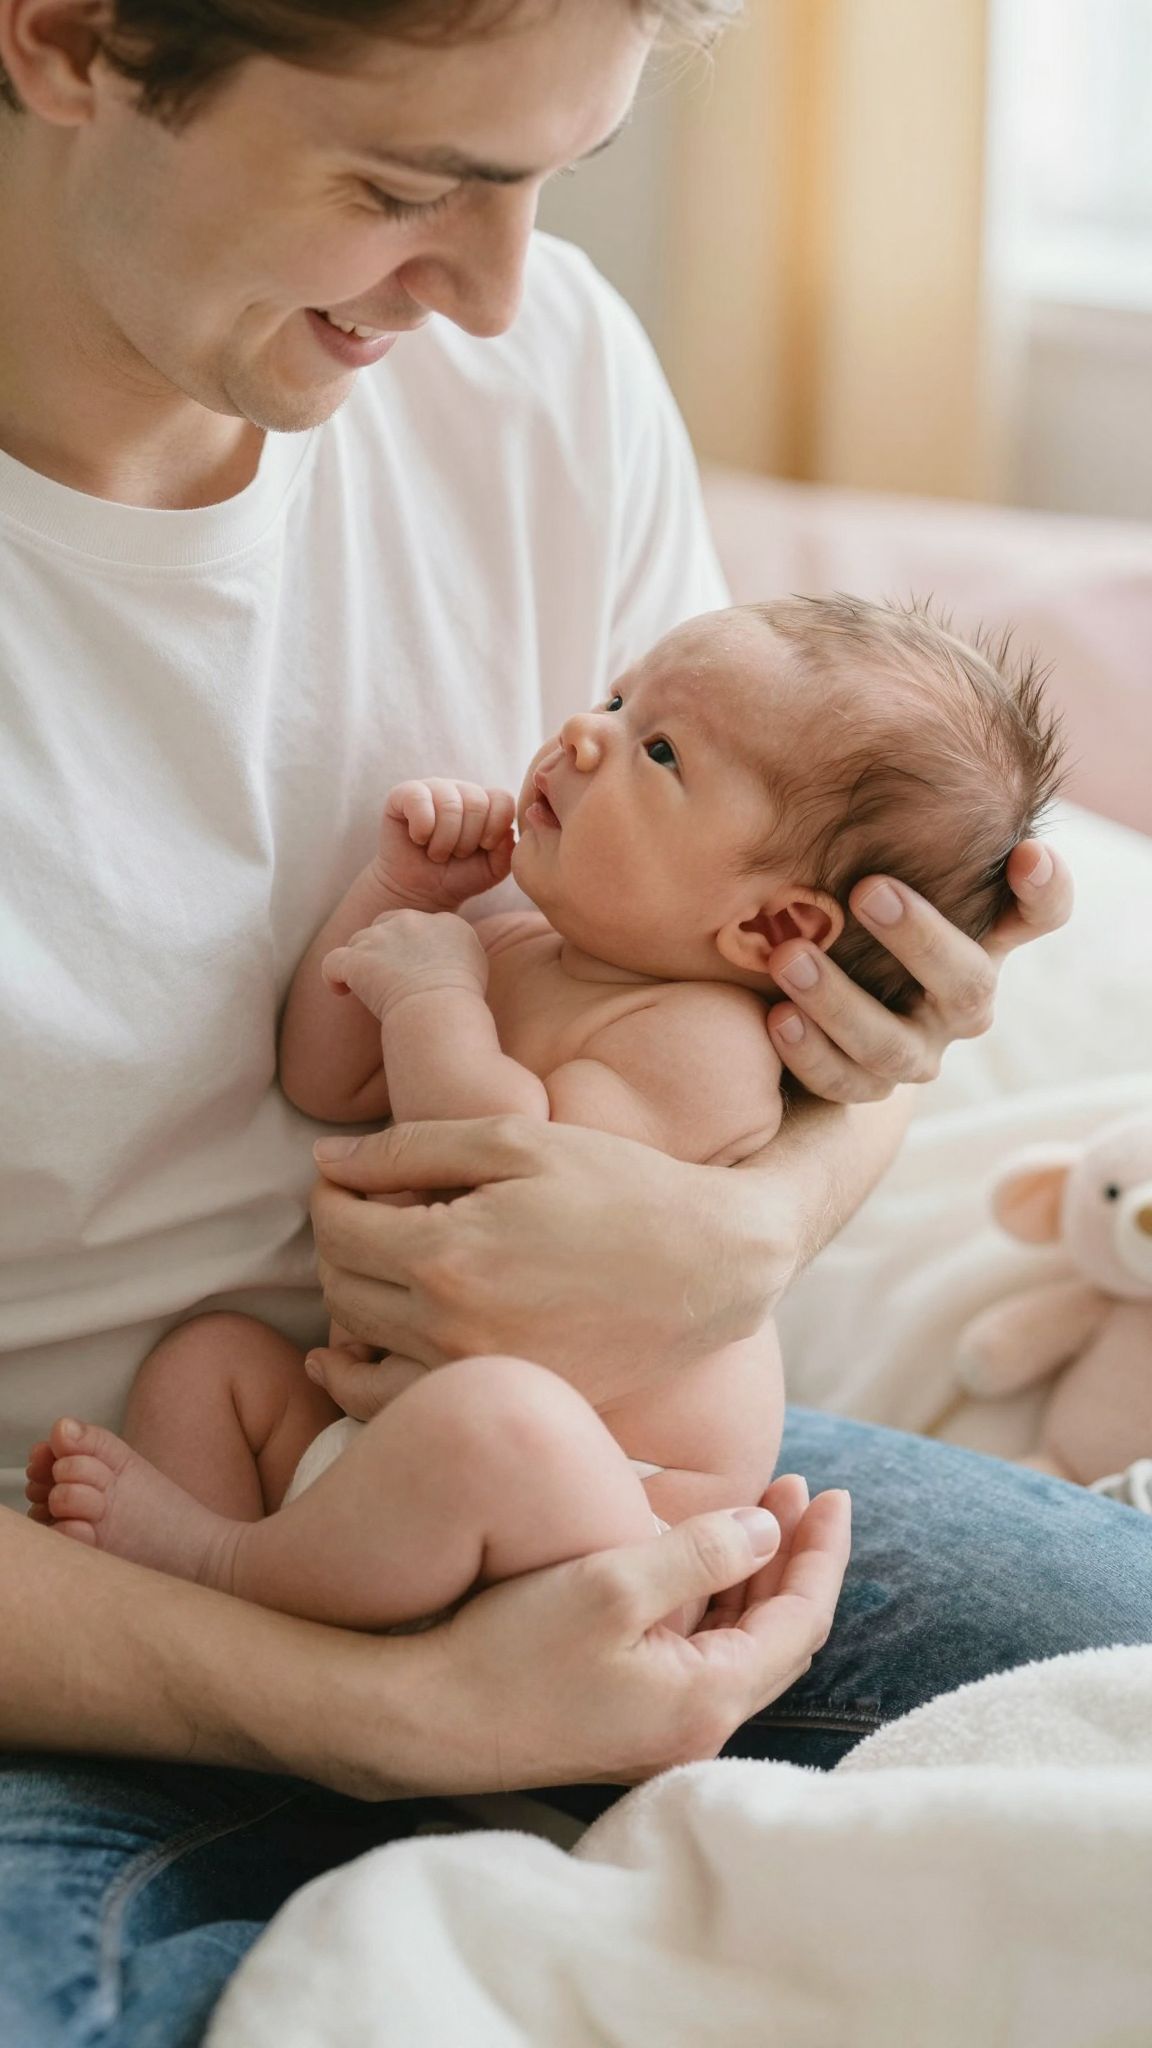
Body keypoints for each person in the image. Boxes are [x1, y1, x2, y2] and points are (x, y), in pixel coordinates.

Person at [0, 3, 1148, 2044]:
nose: (497, 295)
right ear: (72, 38)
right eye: (403, 185)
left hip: (590, 1488)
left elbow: (764, 1013)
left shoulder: (542, 378)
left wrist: (770, 1206)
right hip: (77, 1575)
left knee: (1112, 1683)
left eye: (549, 180)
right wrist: (365, 1705)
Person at [24, 594, 1064, 1635]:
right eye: (614, 700)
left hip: (604, 1507)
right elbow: (322, 1081)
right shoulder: (522, 948)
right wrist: (398, 896)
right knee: (206, 1364)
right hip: (386, 1446)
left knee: (496, 1421)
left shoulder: (707, 1045)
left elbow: (509, 1181)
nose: (581, 731)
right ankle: (214, 1628)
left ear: (773, 925)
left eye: (658, 751)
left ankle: (227, 1567)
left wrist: (431, 996)